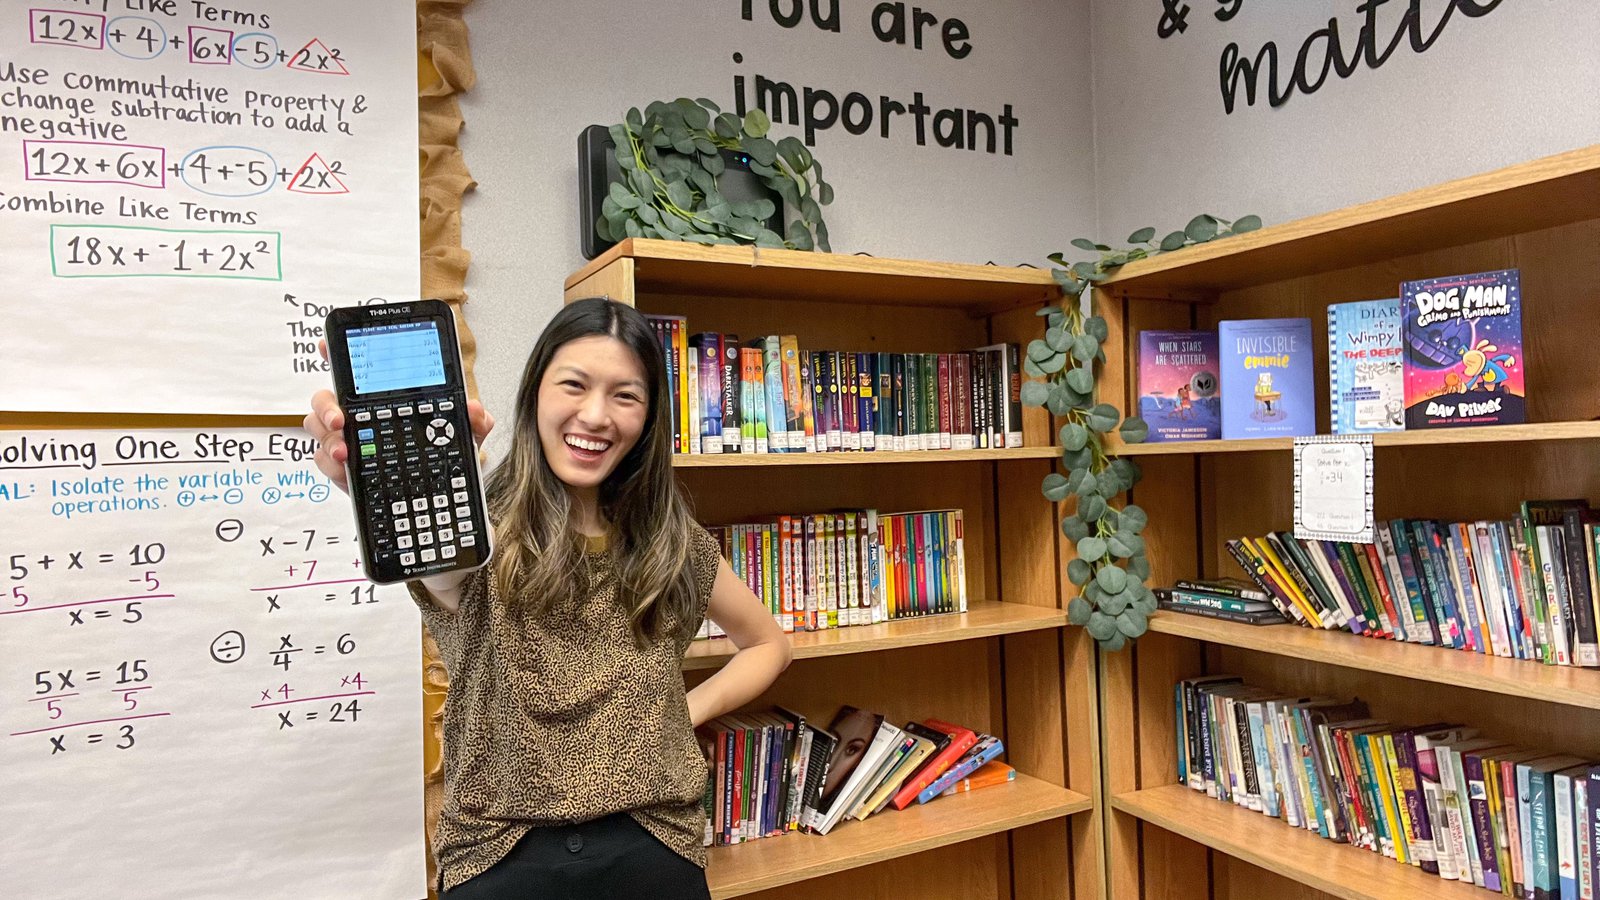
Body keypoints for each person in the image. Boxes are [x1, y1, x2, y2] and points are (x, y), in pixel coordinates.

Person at [304, 297, 792, 899]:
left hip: (655, 846)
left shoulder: (672, 542)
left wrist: (678, 715)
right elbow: (432, 561)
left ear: (649, 416)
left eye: (625, 395)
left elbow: (768, 644)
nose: (596, 415)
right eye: (574, 385)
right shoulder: (477, 533)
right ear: (535, 392)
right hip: (501, 859)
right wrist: (384, 479)